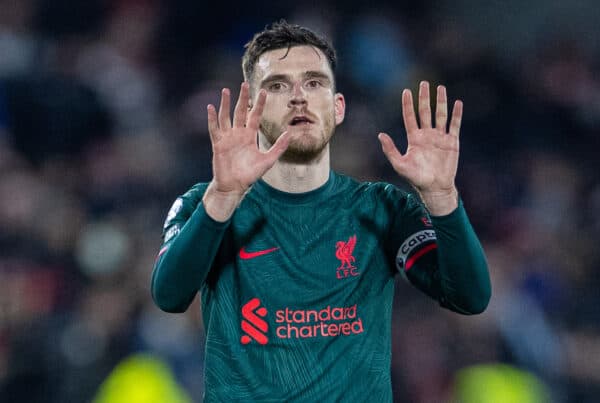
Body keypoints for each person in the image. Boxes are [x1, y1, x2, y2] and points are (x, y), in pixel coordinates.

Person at [151, 20, 491, 402]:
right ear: (250, 109)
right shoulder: (206, 203)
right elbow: (169, 295)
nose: (299, 97)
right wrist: (224, 195)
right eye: (278, 85)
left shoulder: (382, 209)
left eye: (314, 82)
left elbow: (470, 297)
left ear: (338, 106)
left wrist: (443, 197)